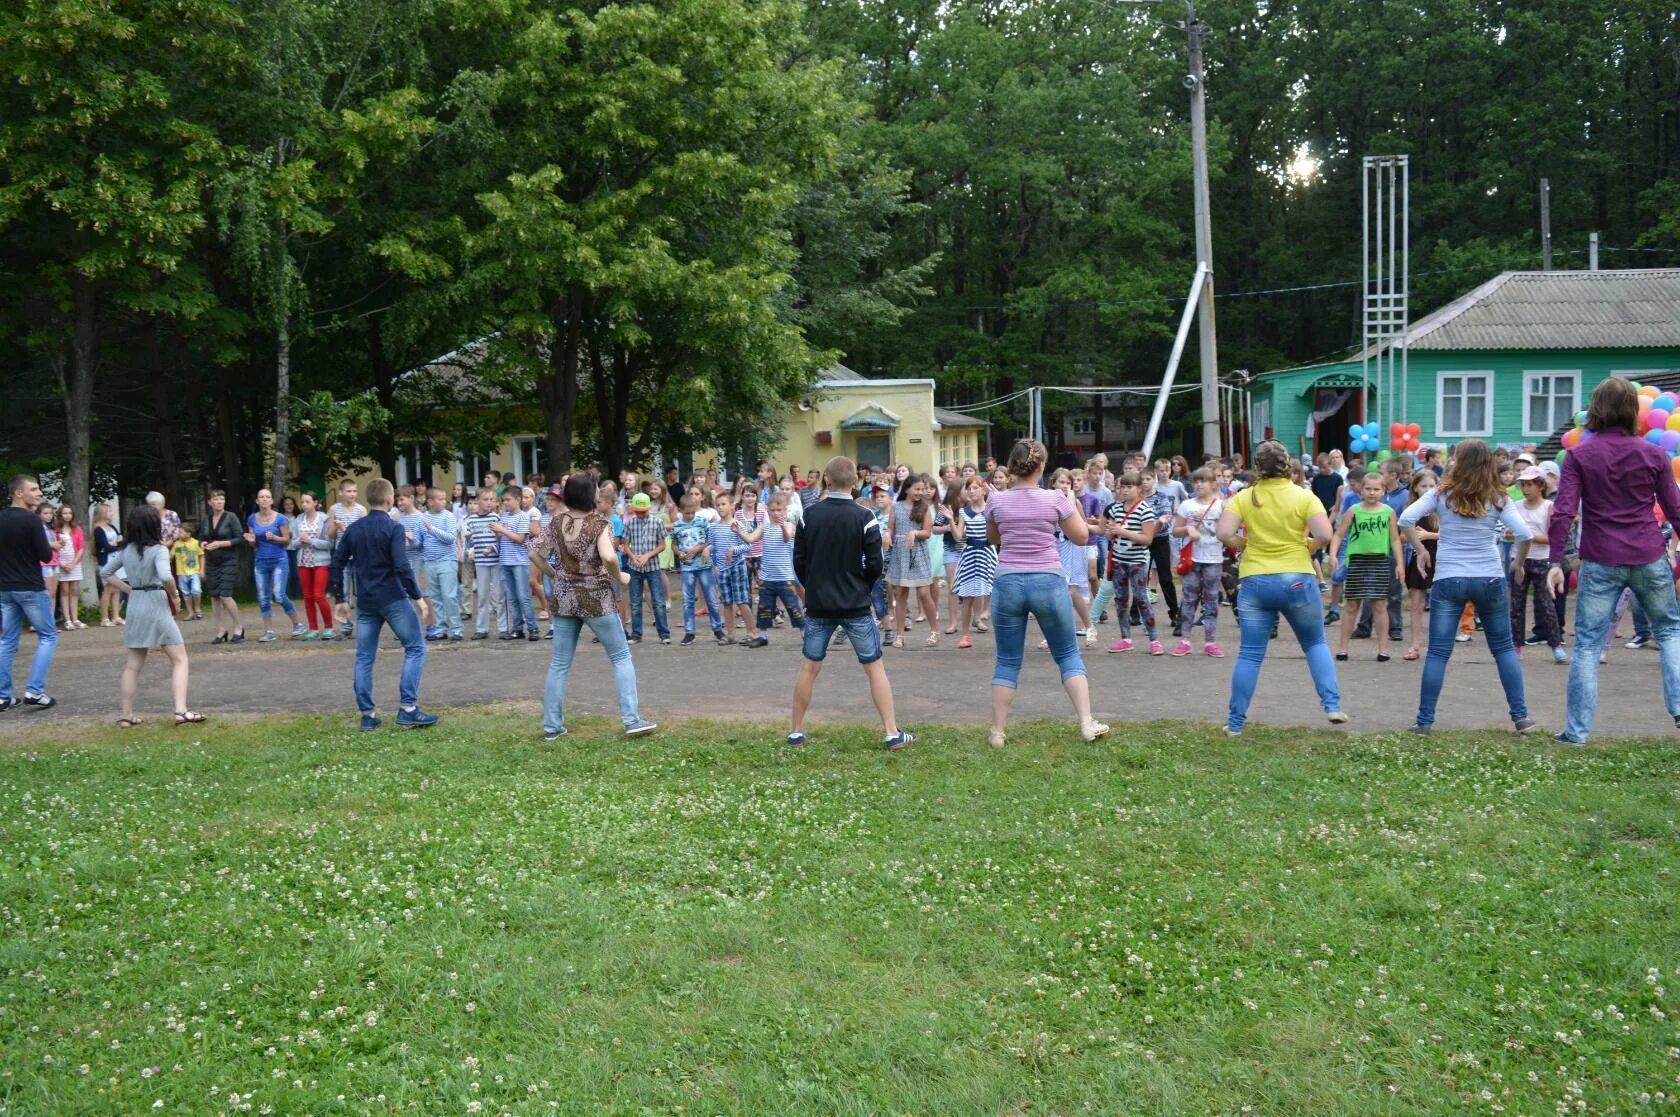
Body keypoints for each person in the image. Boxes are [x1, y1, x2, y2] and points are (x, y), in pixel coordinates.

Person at [1547, 377, 1680, 745]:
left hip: (1600, 559)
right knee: (1670, 631)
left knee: (1588, 644)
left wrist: (1555, 561)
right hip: (1648, 554)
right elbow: (1675, 509)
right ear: (1632, 411)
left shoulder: (1579, 455)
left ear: (1596, 409)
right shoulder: (1654, 454)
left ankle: (1576, 733)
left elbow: (1563, 512)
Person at [1396, 439, 1536, 734]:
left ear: (1458, 462)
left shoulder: (1441, 494)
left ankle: (1424, 721)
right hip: (1489, 577)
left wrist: (1420, 550)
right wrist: (1518, 564)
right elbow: (1524, 534)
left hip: (1449, 578)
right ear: (1488, 464)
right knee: (1503, 648)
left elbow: (1406, 518)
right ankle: (1520, 716)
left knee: (1437, 653)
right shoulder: (1498, 497)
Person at [984, 439, 1109, 747]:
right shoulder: (1054, 498)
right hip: (1048, 580)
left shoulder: (997, 501)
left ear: (1012, 466)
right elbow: (1081, 537)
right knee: (1067, 654)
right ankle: (1086, 722)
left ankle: (998, 732)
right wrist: (1071, 505)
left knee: (1007, 660)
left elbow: (993, 537)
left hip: (1009, 580)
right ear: (1041, 467)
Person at [1217, 439, 1346, 735]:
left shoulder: (1244, 496)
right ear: (1288, 465)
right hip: (1298, 578)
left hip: (1255, 580)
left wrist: (1244, 544)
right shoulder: (1304, 496)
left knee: (1250, 653)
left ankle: (1235, 724)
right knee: (1315, 643)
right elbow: (1325, 534)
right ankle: (1332, 706)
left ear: (1257, 467)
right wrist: (1307, 545)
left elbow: (1224, 532)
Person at [789, 456, 912, 750]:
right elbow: (874, 564)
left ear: (826, 481)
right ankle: (891, 732)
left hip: (819, 604)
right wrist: (863, 588)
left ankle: (796, 731)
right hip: (855, 604)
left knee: (809, 667)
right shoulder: (864, 517)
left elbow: (799, 561)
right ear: (855, 483)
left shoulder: (809, 515)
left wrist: (814, 587)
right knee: (874, 666)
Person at [529, 474, 657, 741]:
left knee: (560, 663)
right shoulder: (600, 524)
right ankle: (632, 720)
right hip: (596, 598)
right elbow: (609, 556)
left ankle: (552, 727)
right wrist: (620, 576)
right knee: (621, 657)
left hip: (564, 598)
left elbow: (534, 554)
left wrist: (555, 575)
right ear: (591, 496)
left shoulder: (556, 523)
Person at [329, 478, 438, 731]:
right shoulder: (393, 528)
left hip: (366, 601)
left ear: (368, 499)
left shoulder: (354, 529)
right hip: (392, 598)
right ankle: (408, 709)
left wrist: (340, 599)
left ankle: (367, 715)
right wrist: (418, 596)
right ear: (389, 501)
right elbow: (401, 566)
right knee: (415, 647)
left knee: (364, 657)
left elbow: (337, 562)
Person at [99, 504, 205, 727]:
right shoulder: (158, 550)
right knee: (179, 659)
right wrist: (175, 594)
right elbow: (166, 576)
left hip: (136, 605)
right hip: (156, 604)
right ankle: (181, 711)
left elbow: (105, 572)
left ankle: (126, 716)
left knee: (133, 664)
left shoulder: (127, 550)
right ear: (154, 526)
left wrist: (130, 590)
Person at [1331, 471, 1403, 662]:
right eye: (1368, 488)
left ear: (1383, 491)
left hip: (1379, 560)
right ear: (1361, 490)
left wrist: (1400, 564)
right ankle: (1343, 647)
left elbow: (1395, 539)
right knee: (1351, 604)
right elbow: (1338, 534)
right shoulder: (1353, 510)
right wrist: (1333, 555)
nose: (1372, 492)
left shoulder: (1388, 512)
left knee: (1379, 604)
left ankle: (1383, 649)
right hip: (1357, 560)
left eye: (1376, 489)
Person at [0, 476, 59, 710]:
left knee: (7, 641)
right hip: (30, 587)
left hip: (5, 588)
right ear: (19, 493)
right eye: (34, 489)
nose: (40, 493)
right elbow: (45, 556)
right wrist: (50, 546)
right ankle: (35, 690)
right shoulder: (32, 521)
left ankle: (3, 696)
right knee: (48, 636)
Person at [1094, 471, 1161, 655]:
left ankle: (1154, 639)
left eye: (1129, 486)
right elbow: (1109, 532)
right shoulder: (1115, 508)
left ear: (1139, 489)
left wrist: (1122, 531)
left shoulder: (1145, 509)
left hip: (1137, 561)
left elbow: (1147, 539)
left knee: (1141, 598)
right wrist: (1111, 533)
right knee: (1120, 600)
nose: (1124, 490)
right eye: (1122, 486)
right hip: (1118, 560)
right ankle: (1126, 638)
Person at [1509, 465, 1564, 663]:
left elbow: (1553, 538)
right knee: (1516, 606)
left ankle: (1556, 644)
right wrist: (1511, 534)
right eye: (1522, 485)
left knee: (1546, 605)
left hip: (1542, 560)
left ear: (1540, 485)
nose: (1525, 489)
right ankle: (1516, 646)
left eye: (1529, 484)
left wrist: (1528, 537)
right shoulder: (1515, 506)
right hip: (1519, 560)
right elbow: (1509, 532)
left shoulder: (1549, 507)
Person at [1171, 467, 1225, 657]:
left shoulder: (1222, 505)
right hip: (1192, 559)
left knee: (1211, 600)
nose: (1199, 484)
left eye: (1203, 481)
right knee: (1189, 598)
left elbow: (1231, 528)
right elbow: (1175, 530)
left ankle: (1210, 641)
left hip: (1214, 558)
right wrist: (1187, 529)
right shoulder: (1187, 505)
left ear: (1213, 484)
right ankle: (1185, 640)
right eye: (1196, 481)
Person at [244, 488, 302, 642]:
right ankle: (269, 631)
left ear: (271, 501)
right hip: (261, 561)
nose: (264, 499)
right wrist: (251, 541)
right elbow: (254, 544)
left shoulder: (280, 518)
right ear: (257, 501)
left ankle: (297, 624)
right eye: (261, 497)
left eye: (267, 497)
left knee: (279, 594)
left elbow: (287, 541)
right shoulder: (251, 519)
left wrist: (275, 538)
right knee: (263, 597)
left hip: (279, 560)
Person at [745, 493, 803, 648]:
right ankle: (763, 637)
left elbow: (786, 537)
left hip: (785, 577)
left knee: (793, 608)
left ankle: (805, 635)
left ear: (785, 510)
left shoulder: (789, 525)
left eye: (779, 510)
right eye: (772, 510)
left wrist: (783, 524)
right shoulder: (764, 526)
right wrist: (738, 532)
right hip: (767, 577)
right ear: (767, 511)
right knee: (764, 608)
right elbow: (751, 539)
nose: (776, 513)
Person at [885, 475, 937, 647]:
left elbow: (928, 532)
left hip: (918, 553)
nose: (920, 492)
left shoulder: (924, 508)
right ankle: (900, 635)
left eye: (922, 489)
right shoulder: (896, 506)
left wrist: (915, 533)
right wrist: (887, 534)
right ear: (906, 489)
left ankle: (934, 631)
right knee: (901, 594)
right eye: (917, 489)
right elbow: (891, 527)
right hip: (901, 553)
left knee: (923, 593)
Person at [671, 494, 724, 645]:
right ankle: (689, 632)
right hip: (687, 568)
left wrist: (697, 549)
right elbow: (673, 544)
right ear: (680, 511)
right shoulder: (676, 526)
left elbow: (710, 539)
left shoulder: (702, 522)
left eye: (692, 512)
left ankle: (718, 629)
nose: (690, 515)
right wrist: (678, 552)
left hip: (704, 566)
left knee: (712, 599)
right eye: (687, 513)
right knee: (688, 600)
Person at [950, 475, 994, 648]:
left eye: (975, 488)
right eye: (969, 488)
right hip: (969, 554)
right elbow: (958, 537)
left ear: (984, 489)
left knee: (992, 592)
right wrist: (950, 521)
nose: (972, 491)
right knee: (967, 597)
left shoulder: (991, 509)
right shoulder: (963, 511)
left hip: (987, 553)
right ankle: (965, 635)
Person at [621, 492, 670, 644]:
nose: (640, 514)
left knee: (659, 602)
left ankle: (664, 634)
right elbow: (625, 545)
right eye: (637, 511)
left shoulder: (657, 522)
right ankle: (636, 634)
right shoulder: (630, 523)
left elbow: (662, 545)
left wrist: (647, 555)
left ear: (648, 509)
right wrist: (632, 556)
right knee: (635, 602)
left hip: (653, 567)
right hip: (634, 567)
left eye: (643, 511)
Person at [1400, 469, 1439, 661]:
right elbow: (1400, 535)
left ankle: (1438, 646)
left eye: (1432, 486)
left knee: (1441, 605)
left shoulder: (1441, 507)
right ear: (1415, 487)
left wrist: (1429, 535)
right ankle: (1414, 645)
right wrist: (1412, 537)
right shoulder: (1411, 508)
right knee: (1416, 603)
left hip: (1441, 557)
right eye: (1423, 486)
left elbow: (1453, 533)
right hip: (1418, 557)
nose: (1428, 490)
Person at [492, 486, 539, 641]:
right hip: (505, 561)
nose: (505, 503)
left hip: (519, 562)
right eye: (504, 500)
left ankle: (533, 628)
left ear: (518, 500)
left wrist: (502, 530)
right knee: (511, 597)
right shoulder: (504, 516)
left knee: (523, 596)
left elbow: (520, 539)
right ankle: (518, 629)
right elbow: (501, 539)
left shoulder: (524, 517)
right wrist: (497, 532)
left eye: (508, 500)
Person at [200, 489, 245, 643]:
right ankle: (221, 630)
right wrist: (203, 543)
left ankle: (239, 627)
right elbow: (201, 538)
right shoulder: (206, 519)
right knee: (215, 597)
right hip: (212, 561)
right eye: (216, 499)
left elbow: (240, 538)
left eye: (221, 499)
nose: (219, 502)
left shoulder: (231, 517)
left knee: (225, 595)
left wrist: (220, 543)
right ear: (209, 502)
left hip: (229, 560)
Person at [419, 487, 464, 642]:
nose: (445, 502)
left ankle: (457, 629)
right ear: (430, 502)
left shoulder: (449, 516)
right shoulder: (423, 517)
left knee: (449, 596)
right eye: (441, 499)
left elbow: (450, 538)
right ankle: (440, 629)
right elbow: (421, 541)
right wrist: (411, 539)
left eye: (445, 499)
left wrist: (431, 529)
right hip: (429, 562)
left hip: (447, 561)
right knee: (436, 597)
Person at [710, 493, 756, 642]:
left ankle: (752, 632)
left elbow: (748, 545)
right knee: (726, 602)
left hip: (737, 567)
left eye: (723, 504)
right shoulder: (713, 527)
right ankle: (730, 634)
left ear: (731, 506)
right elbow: (713, 546)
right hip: (722, 570)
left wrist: (734, 550)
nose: (720, 507)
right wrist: (708, 553)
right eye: (718, 505)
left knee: (741, 600)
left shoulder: (737, 525)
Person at [462, 489, 504, 639]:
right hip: (481, 563)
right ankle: (481, 629)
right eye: (486, 499)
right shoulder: (471, 520)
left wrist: (493, 547)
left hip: (495, 562)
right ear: (478, 501)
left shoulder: (496, 517)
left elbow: (501, 541)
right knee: (482, 596)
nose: (489, 502)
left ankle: (503, 629)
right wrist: (469, 543)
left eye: (492, 500)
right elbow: (471, 542)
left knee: (499, 596)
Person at [326, 480, 367, 635]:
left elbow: (364, 535)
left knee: (360, 592)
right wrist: (335, 528)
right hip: (342, 555)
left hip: (358, 555)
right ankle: (346, 623)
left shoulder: (361, 510)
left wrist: (346, 529)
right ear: (341, 493)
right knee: (343, 591)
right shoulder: (334, 509)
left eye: (355, 491)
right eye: (349, 491)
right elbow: (330, 536)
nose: (352, 494)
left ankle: (362, 622)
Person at [293, 492, 335, 639]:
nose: (304, 505)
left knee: (319, 595)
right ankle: (313, 628)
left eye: (307, 502)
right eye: (302, 502)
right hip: (303, 562)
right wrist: (301, 540)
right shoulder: (298, 520)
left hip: (320, 562)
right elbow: (293, 543)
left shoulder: (324, 519)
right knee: (308, 597)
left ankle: (329, 627)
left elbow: (329, 543)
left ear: (315, 503)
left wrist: (310, 541)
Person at [93, 503, 124, 627]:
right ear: (102, 513)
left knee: (117, 588)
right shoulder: (98, 529)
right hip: (106, 562)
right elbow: (105, 546)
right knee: (108, 588)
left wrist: (118, 545)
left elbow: (120, 538)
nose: (111, 513)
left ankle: (116, 615)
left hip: (116, 560)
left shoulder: (111, 526)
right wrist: (117, 546)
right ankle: (104, 617)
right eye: (109, 511)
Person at [170, 522, 204, 620]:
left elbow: (201, 555)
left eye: (180, 532)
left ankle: (197, 608)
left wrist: (202, 570)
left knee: (196, 590)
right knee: (186, 593)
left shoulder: (195, 543)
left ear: (188, 534)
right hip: (181, 573)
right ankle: (190, 613)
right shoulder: (176, 544)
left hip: (194, 572)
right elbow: (171, 556)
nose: (178, 534)